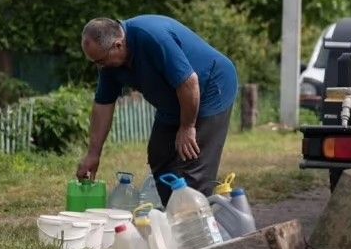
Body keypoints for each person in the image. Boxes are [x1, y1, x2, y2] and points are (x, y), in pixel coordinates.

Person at [75, 15, 238, 206]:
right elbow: (103, 105)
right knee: (160, 155)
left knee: (192, 162)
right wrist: (93, 154)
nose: (99, 66)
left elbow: (189, 82)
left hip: (210, 88)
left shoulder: (151, 37)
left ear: (118, 45)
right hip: (173, 99)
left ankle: (196, 222)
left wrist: (187, 127)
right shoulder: (109, 65)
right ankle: (176, 217)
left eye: (100, 60)